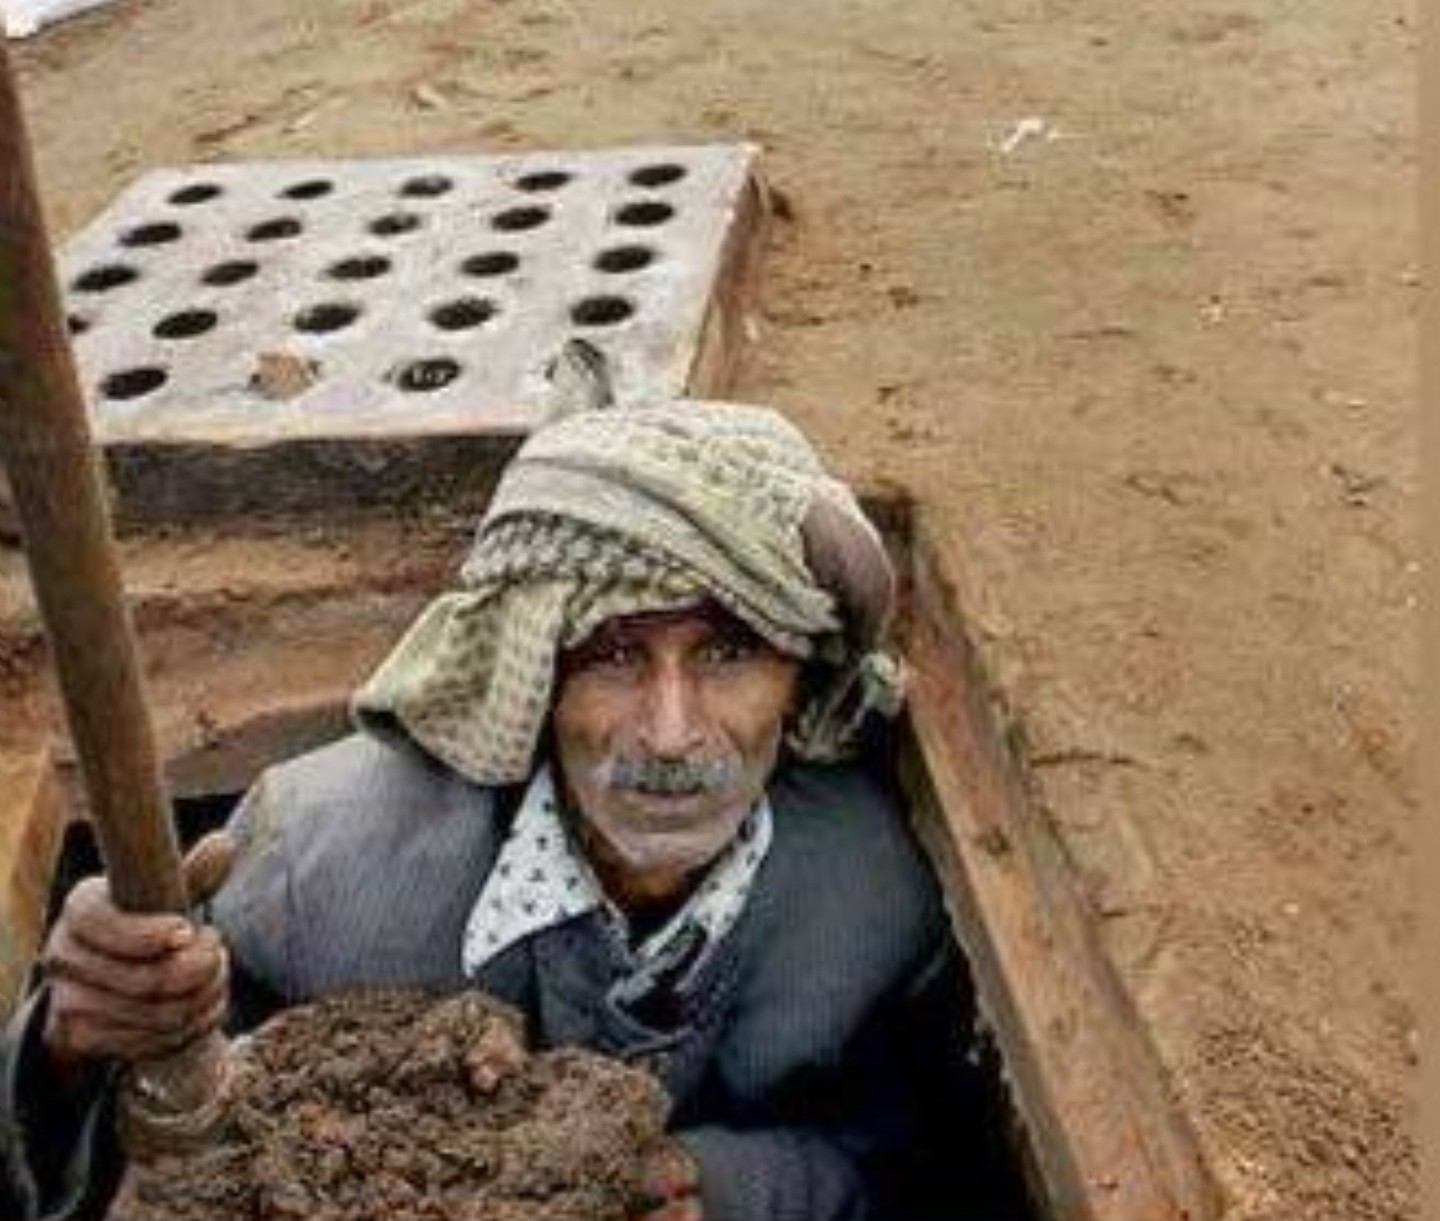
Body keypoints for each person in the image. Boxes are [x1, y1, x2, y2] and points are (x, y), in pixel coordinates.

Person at [1, 397, 998, 1220]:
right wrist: (68, 1043)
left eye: (728, 654)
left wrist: (723, 1185)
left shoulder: (875, 902)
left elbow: (911, 1159)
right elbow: (155, 1140)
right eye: (614, 657)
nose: (670, 734)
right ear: (536, 678)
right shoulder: (322, 859)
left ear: (799, 674)